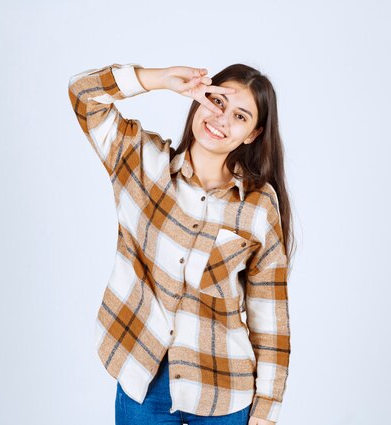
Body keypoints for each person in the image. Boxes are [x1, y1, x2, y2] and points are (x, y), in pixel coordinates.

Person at [68, 61, 294, 425]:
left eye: (240, 116)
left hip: (224, 390)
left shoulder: (257, 206)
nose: (221, 119)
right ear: (199, 98)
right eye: (218, 102)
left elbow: (269, 315)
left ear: (253, 134)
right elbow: (82, 94)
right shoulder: (141, 163)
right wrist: (157, 79)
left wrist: (266, 411)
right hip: (143, 378)